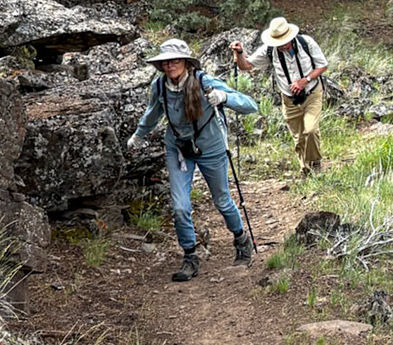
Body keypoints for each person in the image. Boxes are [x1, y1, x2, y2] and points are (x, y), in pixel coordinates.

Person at [127, 39, 259, 283]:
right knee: (180, 206)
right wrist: (138, 135)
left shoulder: (204, 82)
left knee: (222, 200)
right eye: (165, 61)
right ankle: (190, 256)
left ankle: (241, 240)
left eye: (175, 60)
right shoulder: (160, 86)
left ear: (186, 62)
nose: (170, 65)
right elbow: (152, 113)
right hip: (178, 149)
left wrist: (223, 97)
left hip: (211, 148)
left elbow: (250, 105)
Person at [234, 16, 328, 172]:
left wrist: (305, 81)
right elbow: (246, 65)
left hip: (312, 94)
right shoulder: (269, 50)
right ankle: (305, 169)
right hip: (289, 99)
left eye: (284, 41)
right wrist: (239, 53)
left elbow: (322, 66)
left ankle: (314, 163)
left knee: (310, 130)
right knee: (298, 137)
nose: (283, 46)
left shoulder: (306, 43)